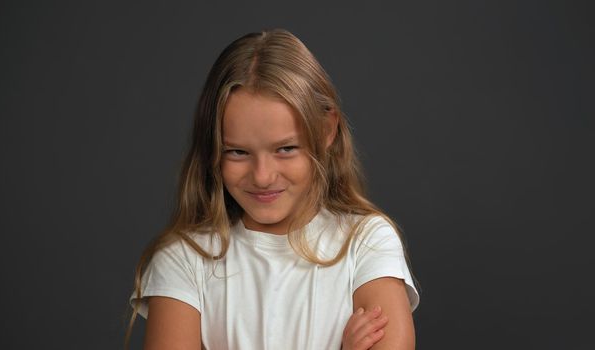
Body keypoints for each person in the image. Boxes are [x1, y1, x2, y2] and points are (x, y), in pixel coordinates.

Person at [126, 29, 419, 350]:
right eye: (237, 152)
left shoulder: (366, 242)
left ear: (326, 130)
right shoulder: (183, 259)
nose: (263, 176)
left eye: (285, 149)